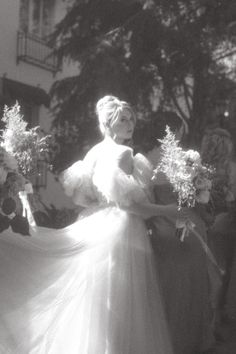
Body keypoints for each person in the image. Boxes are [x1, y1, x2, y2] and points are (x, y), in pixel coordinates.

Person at [0, 95, 190, 354]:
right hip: (124, 232)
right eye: (123, 119)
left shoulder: (92, 153)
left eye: (131, 118)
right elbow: (130, 206)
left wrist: (105, 203)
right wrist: (167, 209)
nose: (130, 123)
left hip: (96, 225)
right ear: (109, 123)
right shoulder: (124, 153)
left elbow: (82, 197)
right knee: (124, 308)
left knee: (96, 303)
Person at [138, 112, 217, 354]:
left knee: (184, 284)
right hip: (175, 227)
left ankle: (181, 340)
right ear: (170, 131)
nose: (180, 139)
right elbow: (145, 201)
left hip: (181, 228)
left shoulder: (165, 160)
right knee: (180, 284)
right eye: (178, 132)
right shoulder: (151, 160)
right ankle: (181, 341)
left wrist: (199, 189)